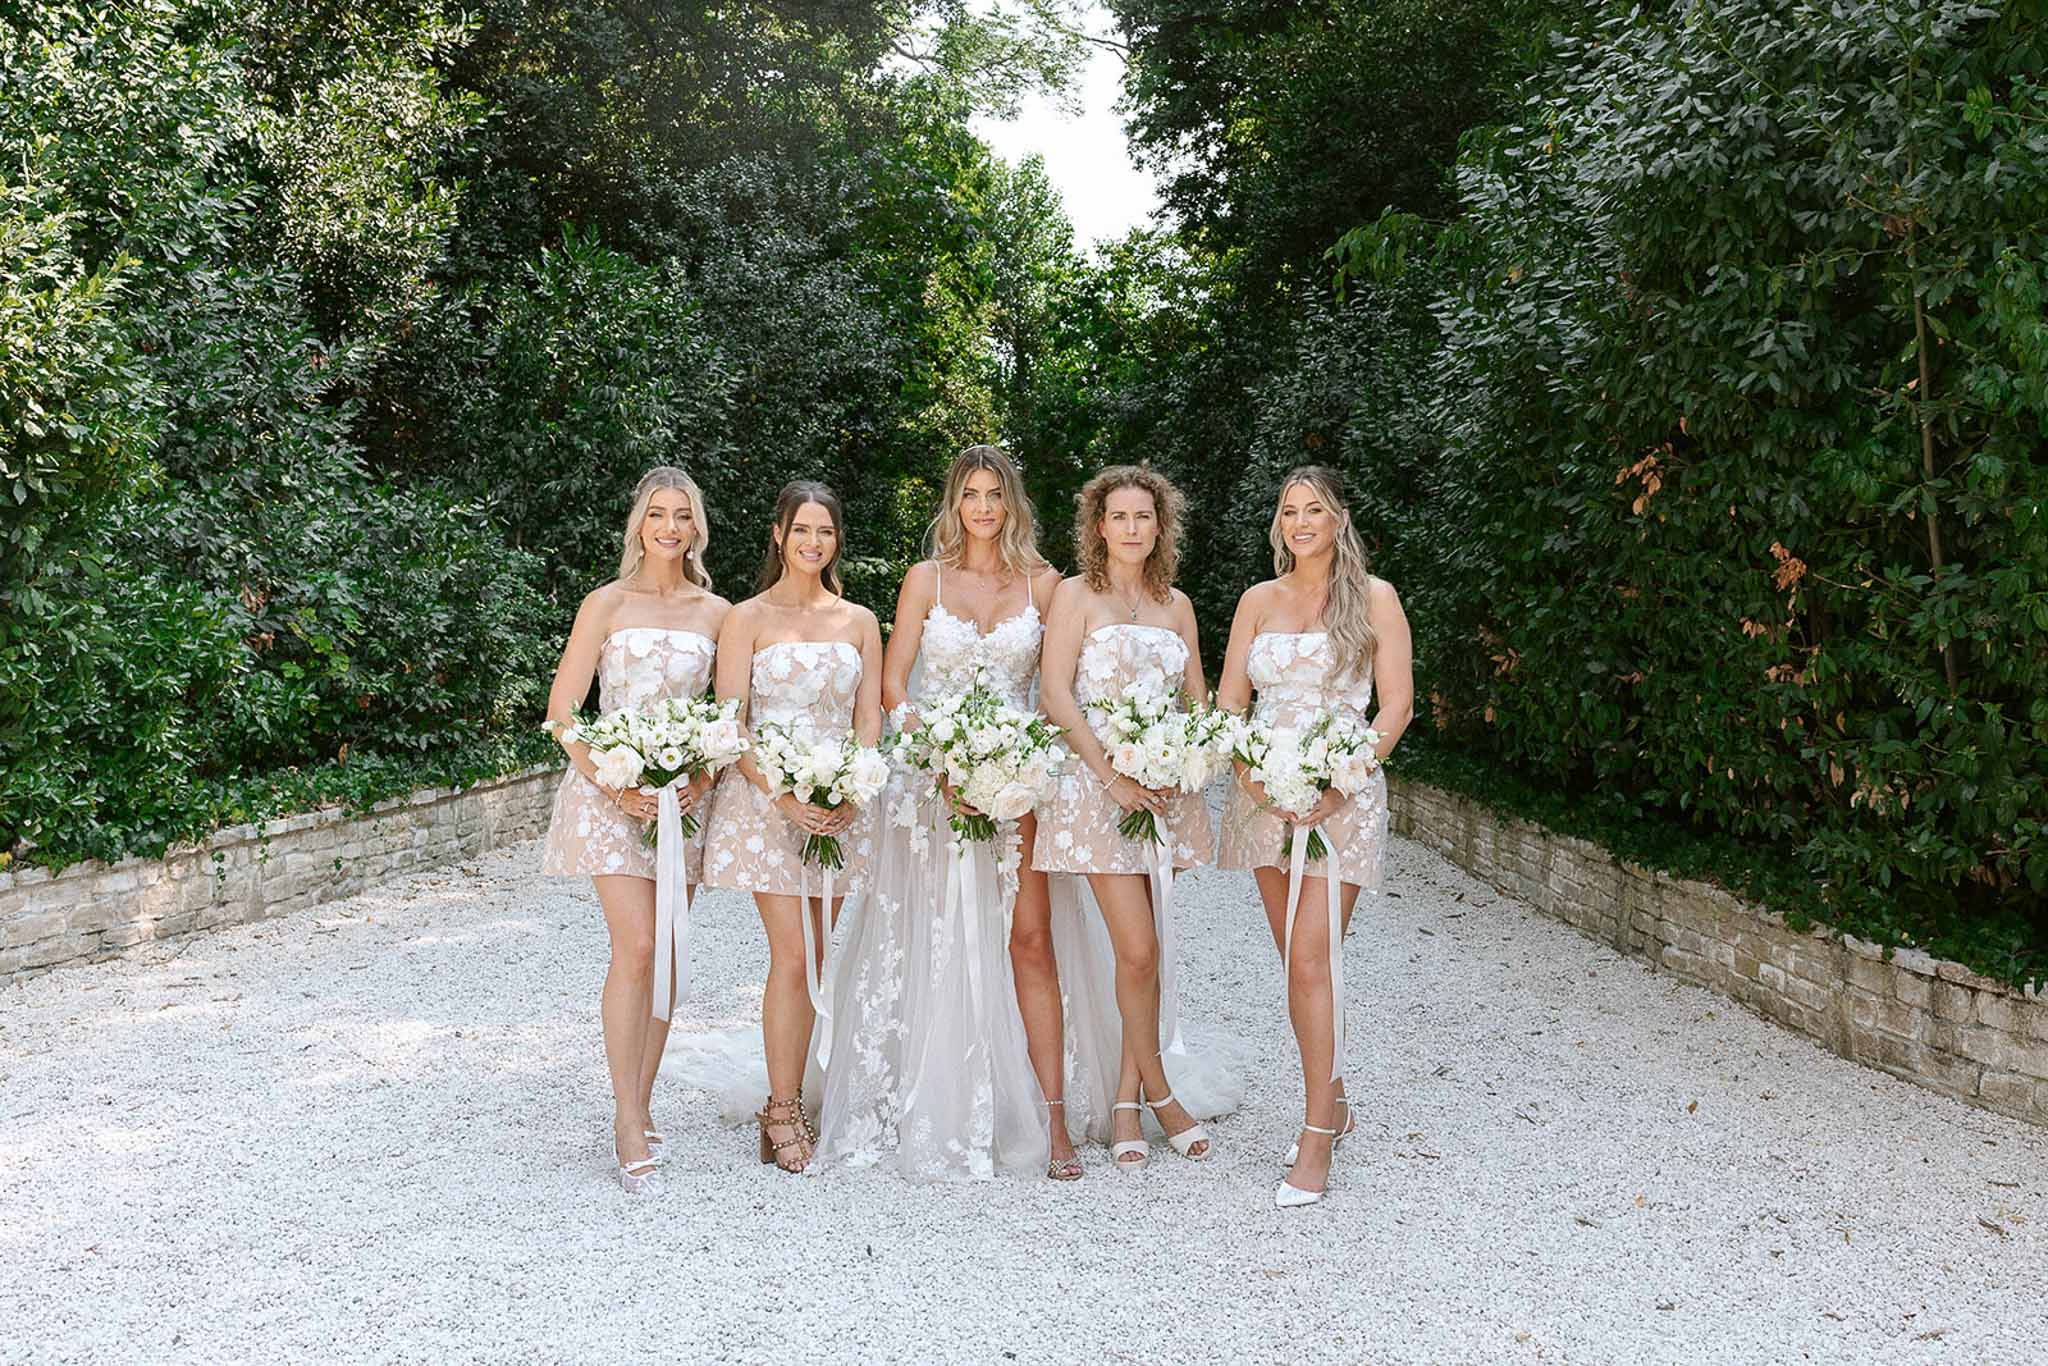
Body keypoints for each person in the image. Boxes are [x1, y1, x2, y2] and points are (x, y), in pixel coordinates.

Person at [1214, 465, 1412, 1208]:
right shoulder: (1257, 601)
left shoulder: (1375, 599)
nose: (1301, 522)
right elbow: (1232, 701)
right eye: (1289, 511)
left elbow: (1395, 707)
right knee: (1296, 961)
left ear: (1338, 520)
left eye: (1314, 510)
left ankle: (1316, 1136)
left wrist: (1339, 783)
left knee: (1310, 960)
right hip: (1263, 795)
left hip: (1342, 798)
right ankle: (1334, 1097)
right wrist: (1253, 776)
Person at [540, 467, 728, 1194]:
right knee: (640, 944)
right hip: (610, 797)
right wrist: (615, 781)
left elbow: (729, 719)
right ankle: (625, 1120)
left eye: (683, 515)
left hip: (683, 803)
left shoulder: (717, 612)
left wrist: (698, 780)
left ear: (697, 527)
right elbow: (563, 710)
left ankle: (643, 1102)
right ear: (639, 524)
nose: (670, 527)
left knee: (671, 957)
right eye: (658, 514)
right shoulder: (606, 603)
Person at [699, 480, 883, 1174]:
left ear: (837, 540)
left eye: (826, 533)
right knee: (795, 957)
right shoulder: (747, 618)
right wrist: (782, 797)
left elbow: (869, 716)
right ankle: (781, 1108)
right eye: (801, 530)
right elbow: (731, 722)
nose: (813, 543)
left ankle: (795, 1091)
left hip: (837, 807)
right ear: (778, 534)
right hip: (767, 803)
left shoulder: (859, 619)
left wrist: (855, 787)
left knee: (818, 956)